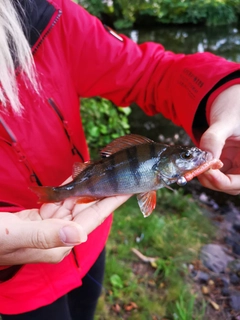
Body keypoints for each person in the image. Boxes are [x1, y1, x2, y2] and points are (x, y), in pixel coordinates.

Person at [0, 0, 239, 318]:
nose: (190, 158)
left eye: (185, 157)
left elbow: (152, 71)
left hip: (88, 241)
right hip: (16, 286)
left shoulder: (51, 16)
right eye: (184, 157)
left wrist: (223, 92)